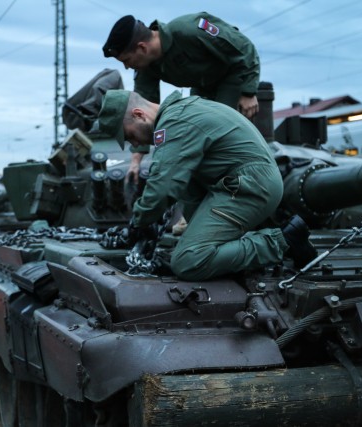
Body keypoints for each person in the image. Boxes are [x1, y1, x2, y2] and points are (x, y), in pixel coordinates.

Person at [97, 89, 317, 280]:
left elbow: (163, 185)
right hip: (244, 182)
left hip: (249, 185)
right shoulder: (183, 111)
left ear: (139, 115)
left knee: (187, 261)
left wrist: (138, 223)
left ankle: (283, 241)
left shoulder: (174, 124)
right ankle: (229, 252)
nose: (134, 144)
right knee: (188, 185)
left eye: (129, 136)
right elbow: (176, 181)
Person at [103, 13, 261, 233]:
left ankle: (238, 206)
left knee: (216, 146)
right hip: (202, 88)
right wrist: (136, 160)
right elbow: (140, 111)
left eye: (127, 61)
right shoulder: (147, 66)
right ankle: (197, 213)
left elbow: (243, 47)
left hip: (232, 78)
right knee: (190, 146)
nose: (128, 68)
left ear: (142, 47)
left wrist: (249, 91)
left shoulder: (189, 29)